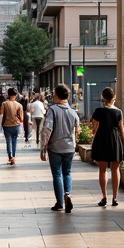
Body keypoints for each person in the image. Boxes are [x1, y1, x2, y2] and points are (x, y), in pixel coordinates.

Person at [41, 83, 80, 212]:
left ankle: (59, 203)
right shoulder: (73, 112)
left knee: (57, 174)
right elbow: (77, 130)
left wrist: (43, 148)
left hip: (55, 147)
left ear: (57, 96)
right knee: (67, 173)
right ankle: (67, 193)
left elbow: (47, 129)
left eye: (53, 94)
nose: (52, 96)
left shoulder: (52, 110)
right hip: (69, 148)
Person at [90, 87, 124, 206]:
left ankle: (104, 197)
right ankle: (115, 198)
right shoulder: (118, 112)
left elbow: (94, 130)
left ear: (103, 97)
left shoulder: (98, 111)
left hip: (101, 140)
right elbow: (122, 132)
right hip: (115, 141)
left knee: (102, 171)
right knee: (115, 169)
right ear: (114, 98)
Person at [0, 87, 24, 163]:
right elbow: (21, 118)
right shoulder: (19, 105)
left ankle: (10, 157)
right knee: (14, 141)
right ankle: (14, 156)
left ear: (8, 95)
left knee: (8, 141)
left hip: (6, 125)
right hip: (16, 125)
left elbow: (1, 115)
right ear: (15, 95)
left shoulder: (4, 104)